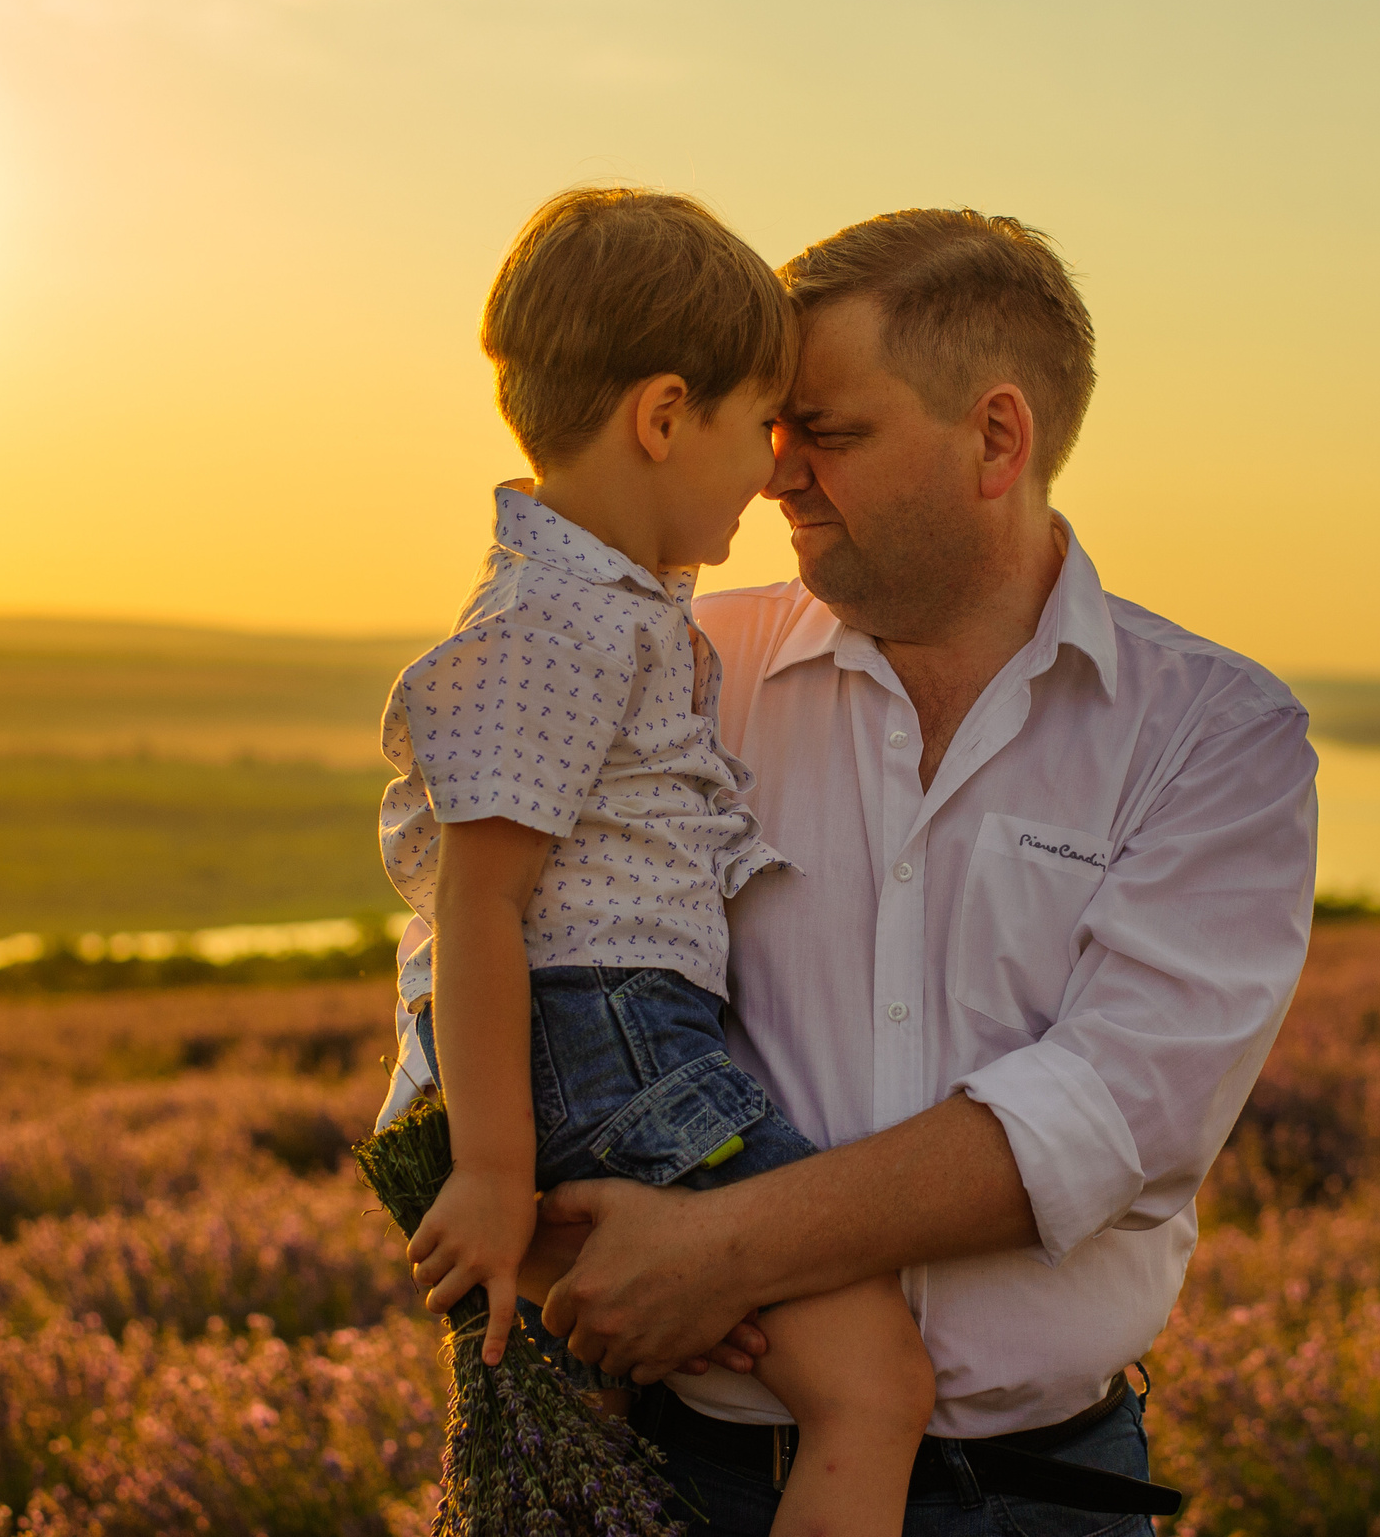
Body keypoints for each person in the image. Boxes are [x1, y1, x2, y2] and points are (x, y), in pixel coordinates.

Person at [514, 208, 1321, 1536]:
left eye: (827, 431)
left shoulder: (1215, 732)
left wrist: (717, 1252)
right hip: (666, 1478)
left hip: (1040, 1498)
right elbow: (513, 946)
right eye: (772, 428)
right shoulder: (677, 672)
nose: (776, 475)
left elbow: (1114, 1116)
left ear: (996, 439)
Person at [376, 187, 935, 1537]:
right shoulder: (556, 623)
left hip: (622, 1040)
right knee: (873, 1380)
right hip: (611, 1043)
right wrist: (497, 1176)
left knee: (610, 1425)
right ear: (665, 415)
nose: (776, 464)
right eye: (763, 423)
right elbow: (480, 906)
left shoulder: (604, 604)